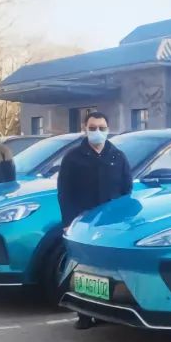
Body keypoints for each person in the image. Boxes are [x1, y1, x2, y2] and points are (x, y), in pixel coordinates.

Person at [57, 112, 132, 329]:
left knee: (106, 271)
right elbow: (65, 192)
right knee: (82, 269)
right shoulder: (73, 157)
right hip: (82, 224)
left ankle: (104, 311)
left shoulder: (117, 156)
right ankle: (83, 314)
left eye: (101, 127)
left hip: (110, 225)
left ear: (108, 129)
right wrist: (69, 222)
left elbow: (126, 190)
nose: (97, 132)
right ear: (85, 129)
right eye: (92, 128)